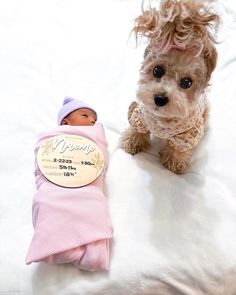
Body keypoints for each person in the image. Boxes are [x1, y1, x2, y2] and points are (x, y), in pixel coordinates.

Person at [26, 97, 113, 272]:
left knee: (93, 205)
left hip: (88, 188)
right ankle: (56, 244)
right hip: (55, 185)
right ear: (65, 121)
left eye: (94, 120)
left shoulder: (93, 138)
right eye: (85, 115)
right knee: (46, 199)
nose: (92, 121)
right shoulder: (51, 138)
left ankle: (90, 252)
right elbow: (41, 162)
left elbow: (100, 158)